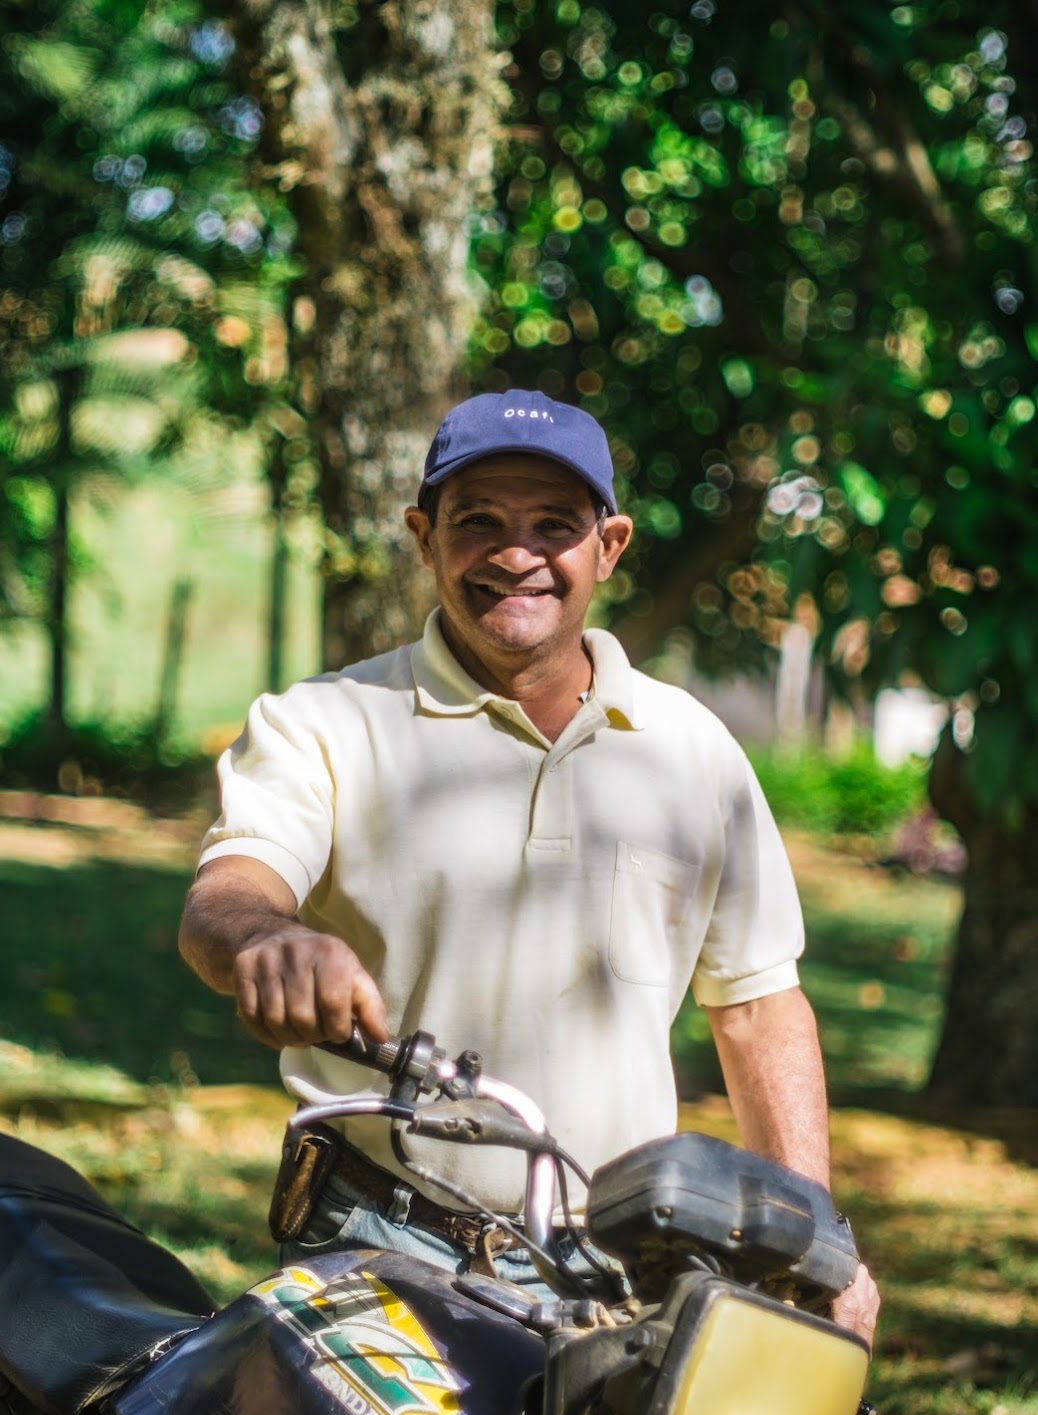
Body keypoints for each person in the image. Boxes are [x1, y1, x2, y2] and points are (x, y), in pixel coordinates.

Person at [178, 389, 880, 1343]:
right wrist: (269, 938)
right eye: (479, 524)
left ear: (609, 546)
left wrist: (816, 1243)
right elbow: (230, 895)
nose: (517, 556)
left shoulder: (693, 749)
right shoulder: (323, 724)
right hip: (381, 1241)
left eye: (555, 525)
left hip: (626, 1265)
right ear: (424, 539)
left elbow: (757, 1006)